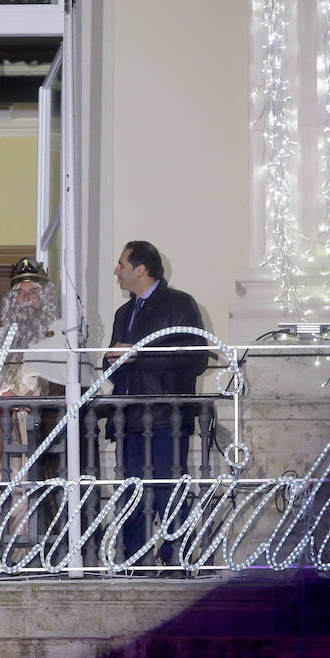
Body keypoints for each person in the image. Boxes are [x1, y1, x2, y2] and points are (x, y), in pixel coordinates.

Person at [0, 258, 92, 554]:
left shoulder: (61, 335)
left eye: (32, 292)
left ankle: (23, 555)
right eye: (20, 294)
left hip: (39, 425)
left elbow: (73, 381)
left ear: (43, 298)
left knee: (25, 492)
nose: (25, 299)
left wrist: (27, 398)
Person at [103, 241, 209, 564]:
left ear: (141, 269)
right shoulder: (124, 313)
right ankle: (132, 562)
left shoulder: (180, 304)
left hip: (167, 417)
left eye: (121, 264)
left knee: (167, 491)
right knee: (131, 494)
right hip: (128, 417)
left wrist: (138, 356)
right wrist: (114, 360)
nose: (116, 271)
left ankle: (179, 558)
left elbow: (197, 357)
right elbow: (114, 361)